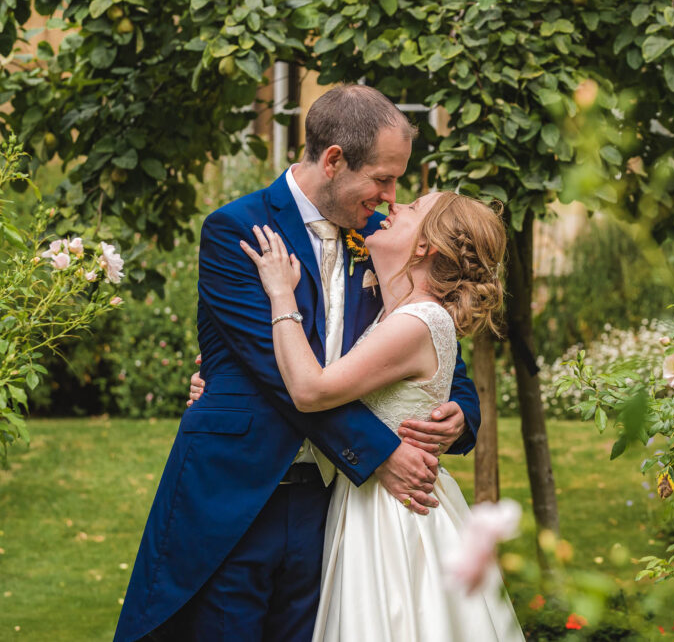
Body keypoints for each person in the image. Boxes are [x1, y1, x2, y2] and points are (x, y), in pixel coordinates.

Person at [114, 85, 481, 642]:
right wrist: (383, 454)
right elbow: (279, 379)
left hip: (332, 505)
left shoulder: (384, 239)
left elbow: (434, 343)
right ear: (333, 160)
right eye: (383, 178)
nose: (390, 196)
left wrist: (459, 411)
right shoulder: (238, 231)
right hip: (239, 495)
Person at [241, 190, 524, 641]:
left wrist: (280, 296)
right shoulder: (405, 312)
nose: (395, 206)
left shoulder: (416, 322)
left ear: (427, 245)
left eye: (411, 209)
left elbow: (312, 390)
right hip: (373, 498)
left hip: (392, 515)